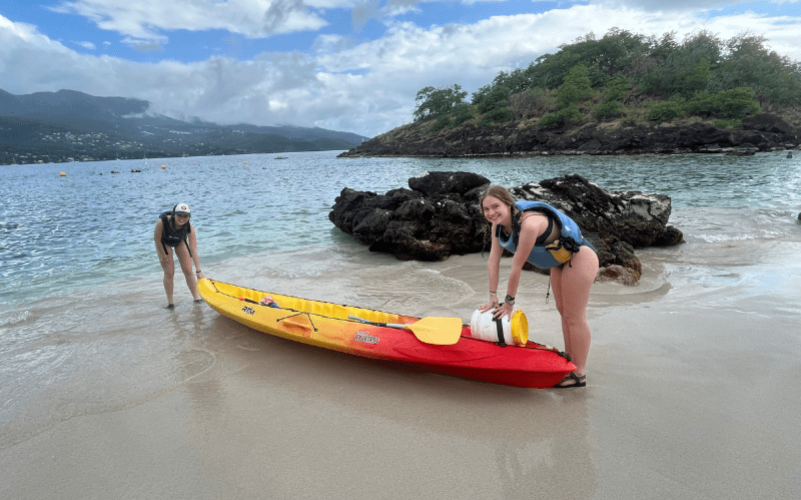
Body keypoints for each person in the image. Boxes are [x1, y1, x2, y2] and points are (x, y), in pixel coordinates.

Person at [478, 185, 598, 388]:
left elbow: (517, 266)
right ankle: (570, 360)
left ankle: (579, 373)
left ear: (508, 203)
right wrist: (492, 295)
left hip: (579, 257)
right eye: (486, 209)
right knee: (565, 314)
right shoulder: (497, 226)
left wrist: (509, 303)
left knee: (575, 317)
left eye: (495, 206)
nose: (491, 213)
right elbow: (493, 260)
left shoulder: (529, 225)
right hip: (559, 263)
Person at [154, 203, 204, 309]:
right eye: (179, 215)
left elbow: (193, 250)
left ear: (189, 217)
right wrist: (163, 256)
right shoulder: (162, 222)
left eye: (185, 216)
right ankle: (170, 303)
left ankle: (196, 298)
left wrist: (199, 271)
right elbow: (157, 240)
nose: (182, 218)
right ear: (174, 214)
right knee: (169, 272)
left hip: (179, 241)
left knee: (188, 270)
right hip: (164, 243)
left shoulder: (189, 227)